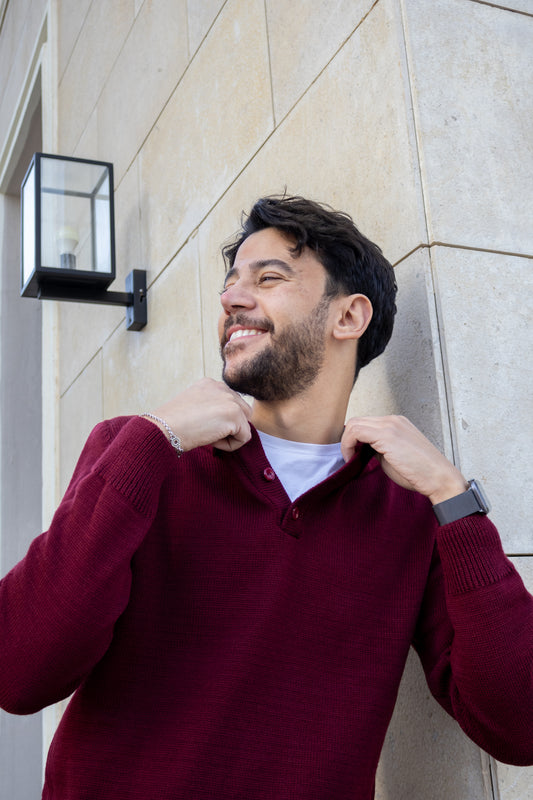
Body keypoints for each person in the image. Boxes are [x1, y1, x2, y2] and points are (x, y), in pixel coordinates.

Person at [1, 195, 532, 800]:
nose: (231, 299)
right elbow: (19, 670)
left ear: (349, 317)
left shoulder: (408, 511)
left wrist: (452, 498)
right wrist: (155, 440)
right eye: (229, 284)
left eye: (269, 278)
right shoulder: (139, 455)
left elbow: (518, 727)